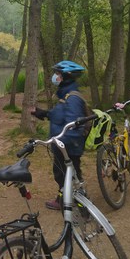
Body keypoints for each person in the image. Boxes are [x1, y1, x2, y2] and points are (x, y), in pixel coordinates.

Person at [32, 60, 86, 210]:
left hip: (67, 146)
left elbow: (73, 125)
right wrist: (43, 113)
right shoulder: (66, 95)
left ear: (66, 76)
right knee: (63, 174)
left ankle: (82, 207)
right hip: (62, 145)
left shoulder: (72, 98)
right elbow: (60, 116)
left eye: (58, 74)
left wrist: (61, 142)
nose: (55, 77)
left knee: (70, 175)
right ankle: (63, 199)